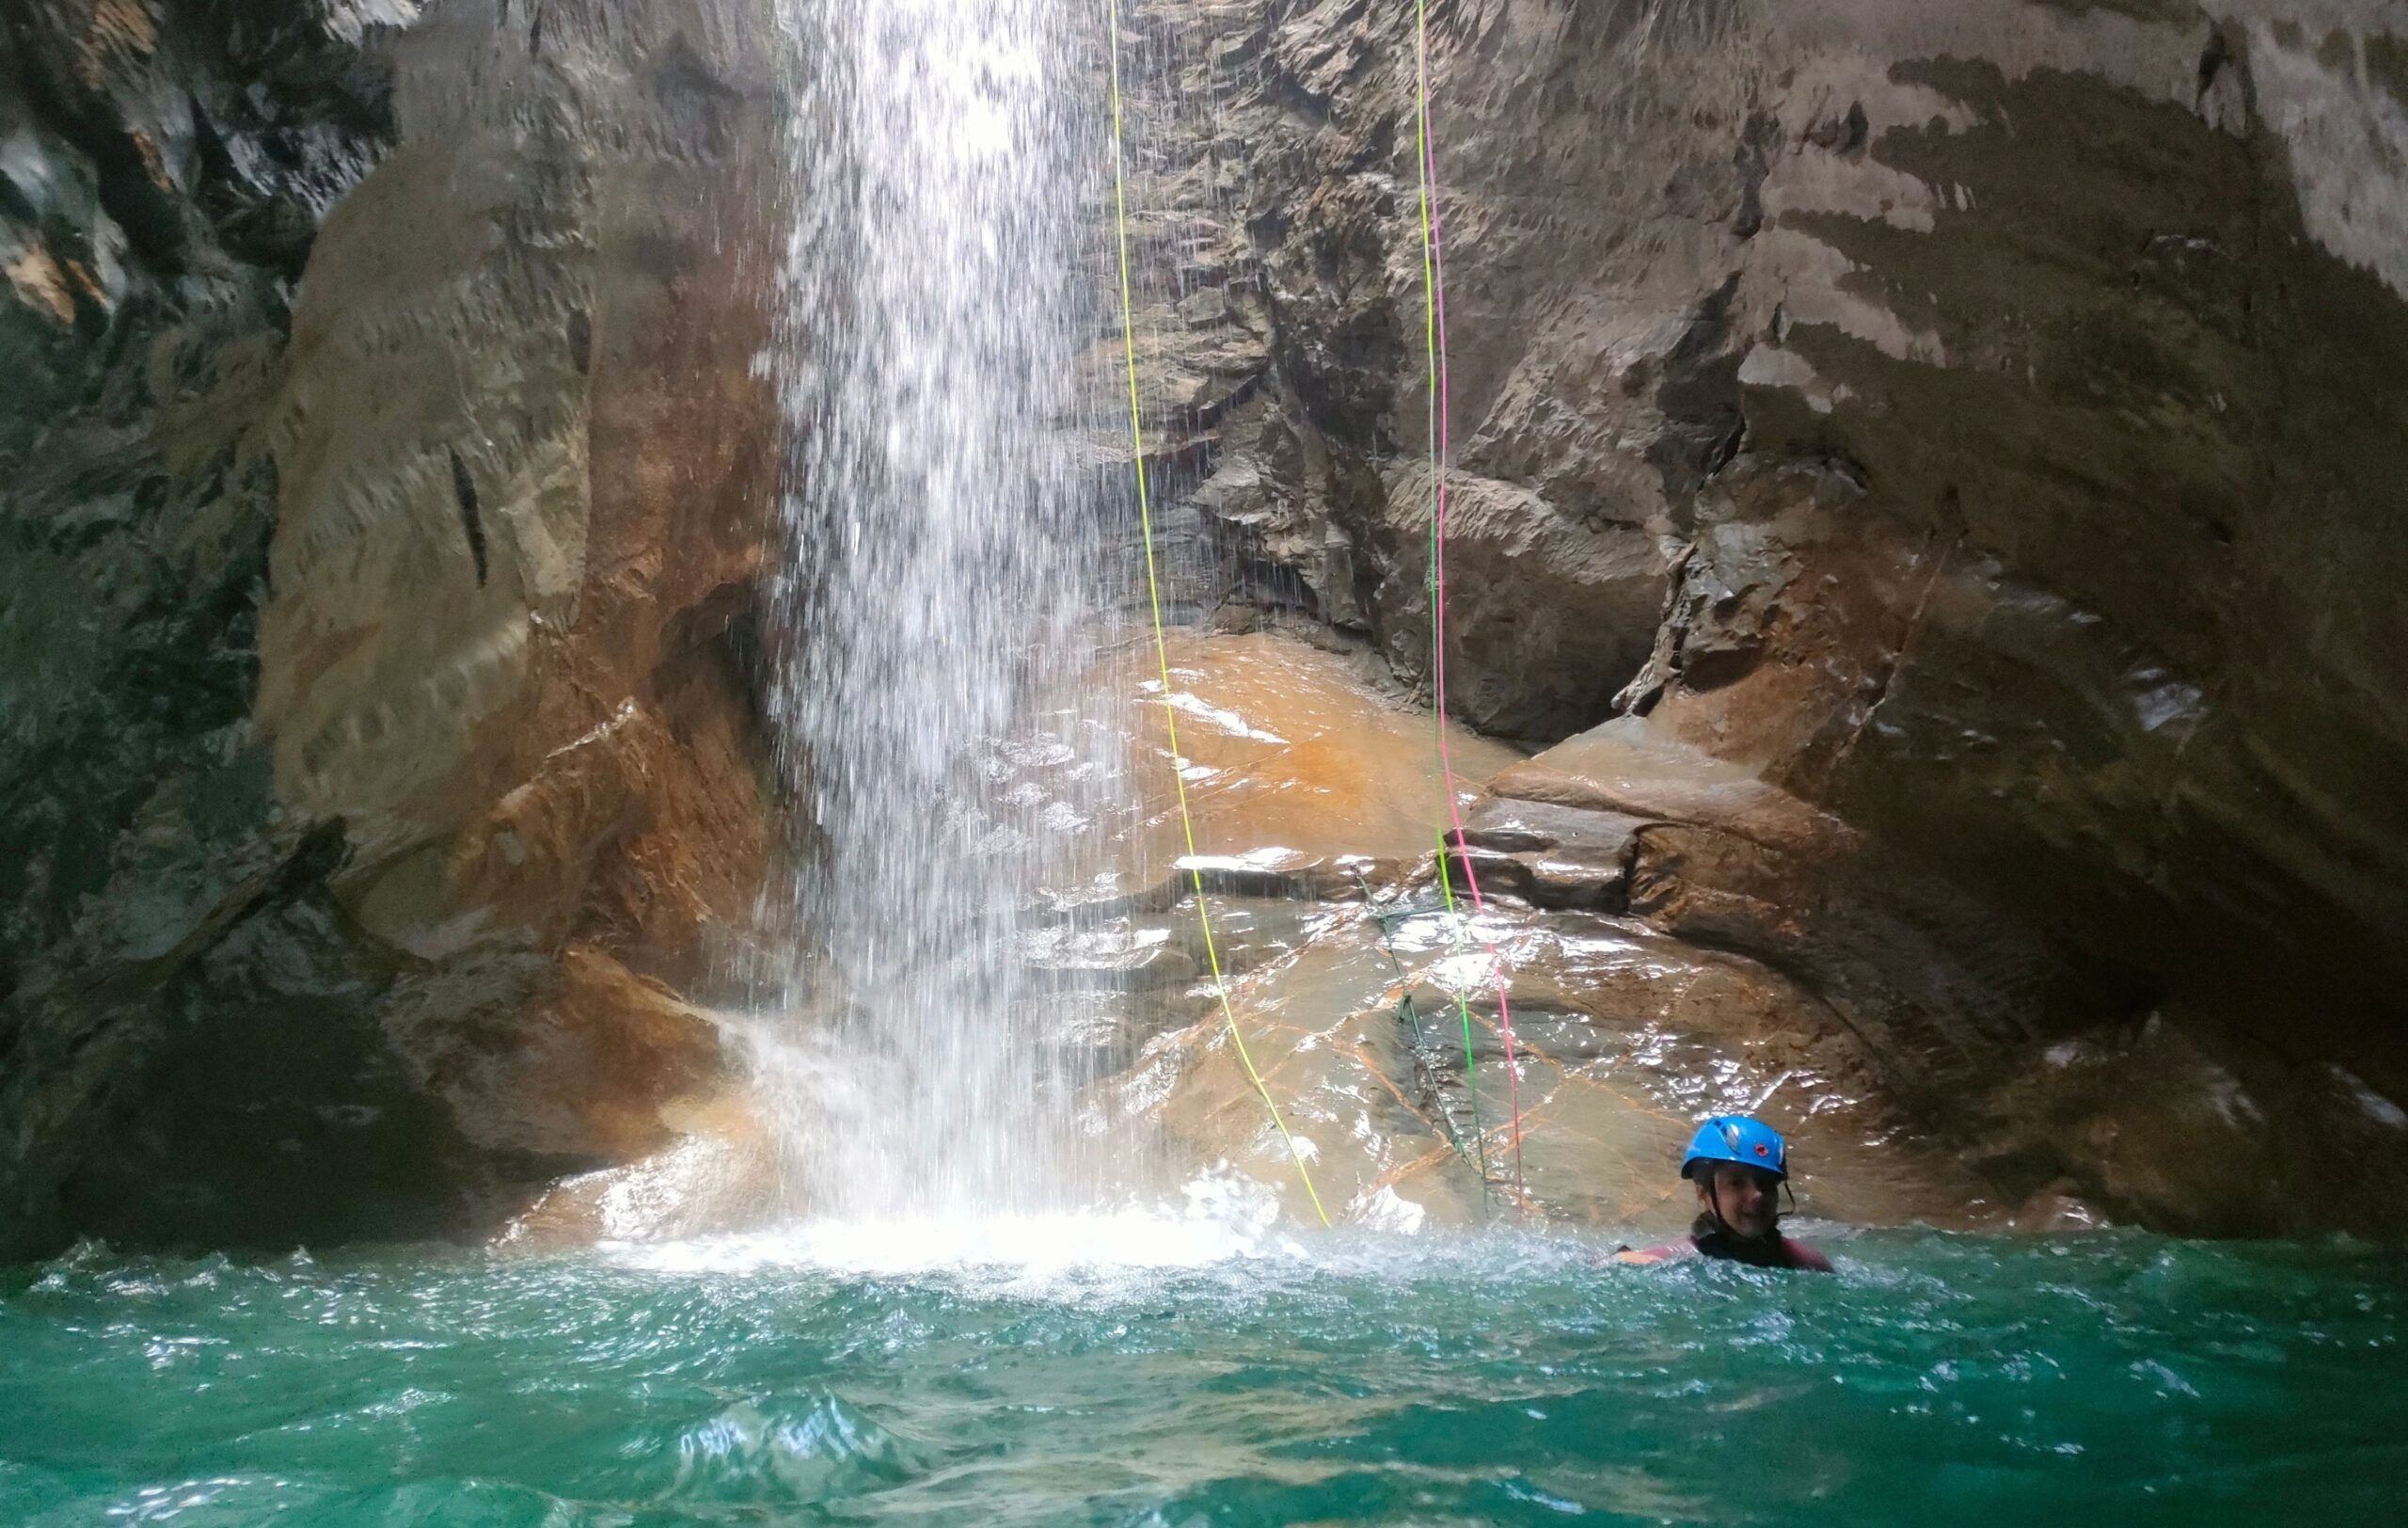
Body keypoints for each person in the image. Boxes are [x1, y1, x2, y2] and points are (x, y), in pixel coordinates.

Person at [1612, 1116, 1832, 1272]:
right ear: (1704, 1194)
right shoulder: (1667, 1262)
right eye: (1737, 1183)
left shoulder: (1810, 1264)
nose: (1757, 1194)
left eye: (1766, 1183)